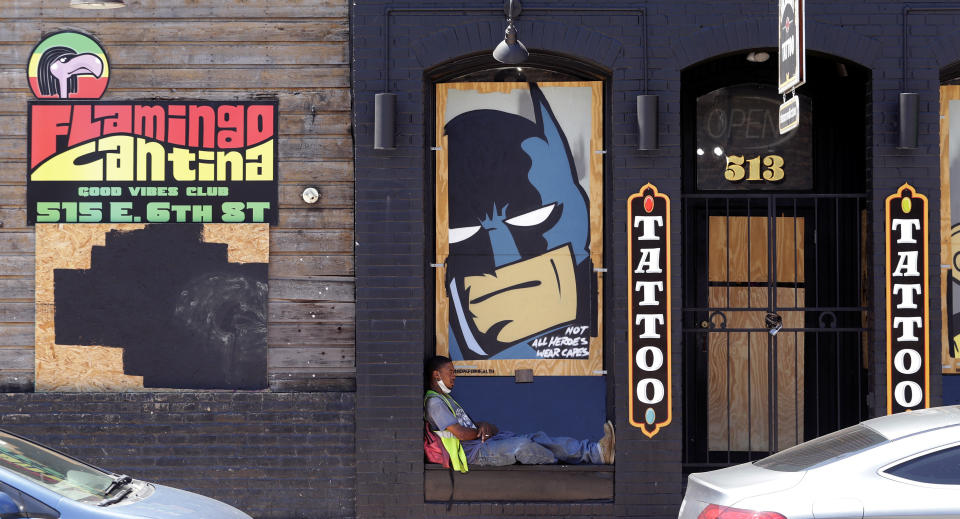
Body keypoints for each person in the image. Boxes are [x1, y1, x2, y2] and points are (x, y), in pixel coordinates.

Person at [423, 355, 614, 469]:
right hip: (476, 454)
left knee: (539, 437)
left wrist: (483, 426)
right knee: (523, 446)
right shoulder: (434, 402)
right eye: (451, 372)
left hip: (488, 443)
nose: (454, 376)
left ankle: (598, 453)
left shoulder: (448, 400)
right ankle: (560, 462)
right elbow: (462, 434)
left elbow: (472, 428)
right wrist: (479, 432)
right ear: (436, 375)